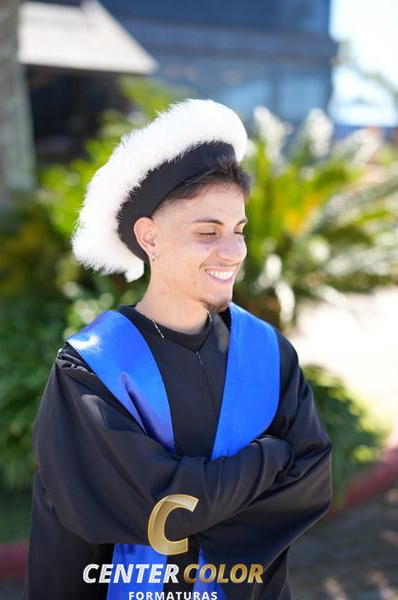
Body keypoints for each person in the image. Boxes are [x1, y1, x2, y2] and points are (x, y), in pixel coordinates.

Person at [23, 98, 332, 600]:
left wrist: (202, 499)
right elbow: (159, 507)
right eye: (207, 232)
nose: (232, 252)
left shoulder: (268, 353)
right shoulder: (92, 368)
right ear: (149, 237)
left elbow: (312, 483)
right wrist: (272, 456)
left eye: (238, 231)